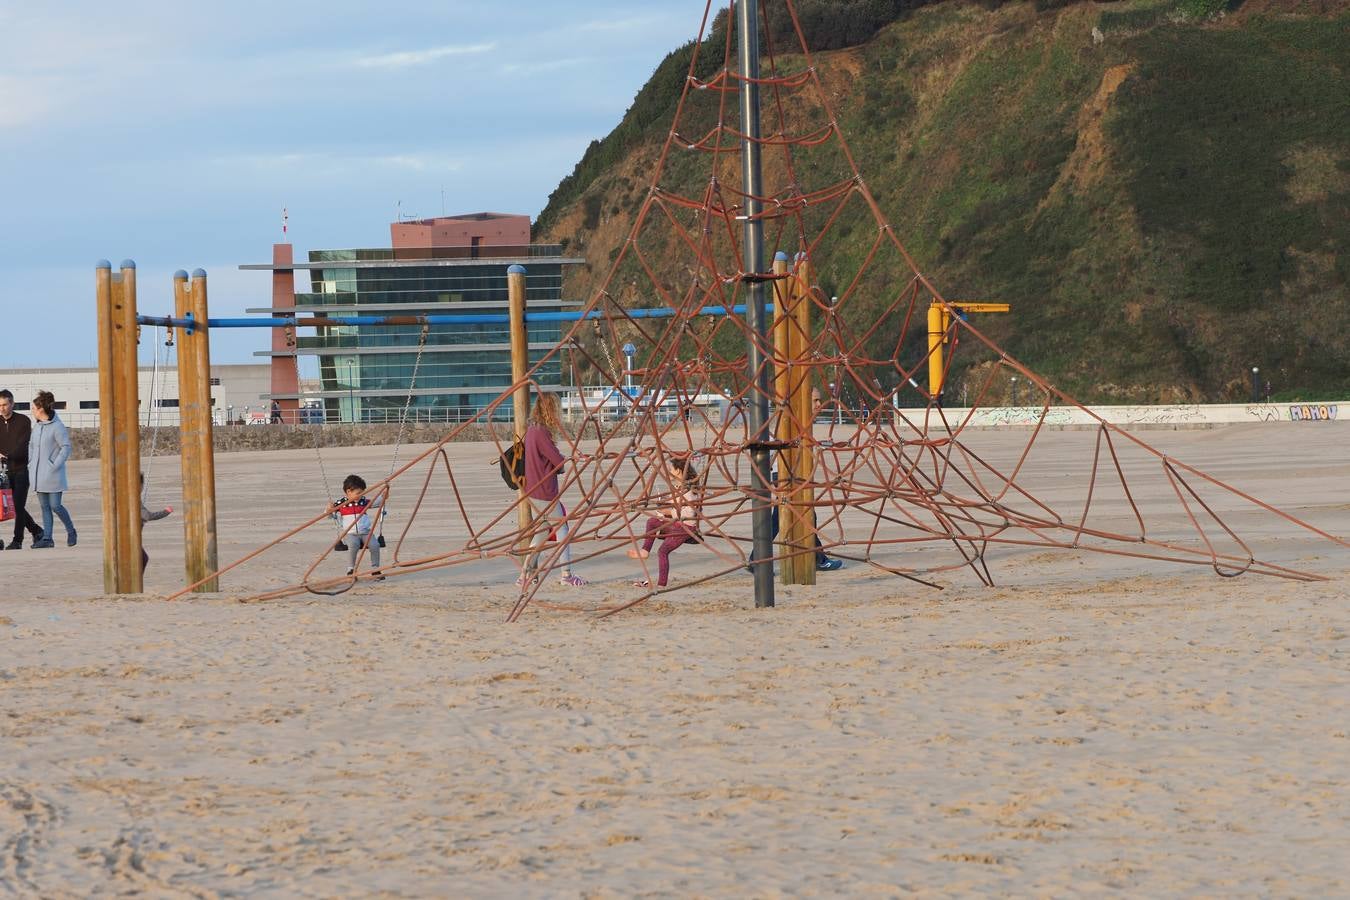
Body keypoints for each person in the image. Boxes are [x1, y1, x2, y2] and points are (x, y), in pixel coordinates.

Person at [520, 391, 586, 587]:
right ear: (550, 409)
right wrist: (568, 460)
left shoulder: (532, 429)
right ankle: (566, 574)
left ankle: (524, 575)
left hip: (533, 488)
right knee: (562, 528)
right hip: (544, 490)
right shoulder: (541, 432)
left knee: (541, 534)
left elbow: (547, 456)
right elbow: (555, 460)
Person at [628, 455, 700, 588]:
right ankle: (645, 551)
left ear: (679, 471)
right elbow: (674, 503)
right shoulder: (679, 487)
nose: (669, 472)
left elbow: (689, 513)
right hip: (677, 524)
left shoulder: (689, 490)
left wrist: (669, 512)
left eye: (671, 469)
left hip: (686, 528)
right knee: (652, 521)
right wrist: (664, 506)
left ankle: (661, 584)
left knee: (663, 551)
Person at [27, 391, 75, 548]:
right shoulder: (37, 427)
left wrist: (54, 464)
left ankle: (71, 531)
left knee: (55, 506)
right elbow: (32, 446)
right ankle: (47, 539)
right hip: (38, 474)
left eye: (33, 408)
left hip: (53, 475)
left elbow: (66, 447)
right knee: (44, 507)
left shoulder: (57, 426)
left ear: (41, 409)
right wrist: (30, 461)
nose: (32, 410)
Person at [0, 389, 45, 549]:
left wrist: (6, 455)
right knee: (3, 506)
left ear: (12, 403)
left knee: (18, 506)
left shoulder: (23, 421)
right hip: (2, 473)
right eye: (0, 405)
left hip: (20, 470)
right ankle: (37, 530)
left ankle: (17, 541)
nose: (2, 408)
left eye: (5, 404)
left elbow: (23, 445)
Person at [328, 474, 385, 581]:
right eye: (358, 493)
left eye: (362, 493)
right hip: (350, 533)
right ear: (348, 492)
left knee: (375, 545)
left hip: (366, 532)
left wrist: (384, 495)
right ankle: (351, 569)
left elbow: (379, 502)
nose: (361, 495)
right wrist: (329, 509)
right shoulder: (341, 504)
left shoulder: (363, 502)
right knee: (353, 545)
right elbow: (330, 515)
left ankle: (375, 569)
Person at [139, 473, 172, 573]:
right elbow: (148, 516)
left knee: (143, 558)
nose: (142, 488)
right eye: (142, 485)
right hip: (129, 538)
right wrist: (166, 512)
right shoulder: (134, 499)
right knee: (143, 558)